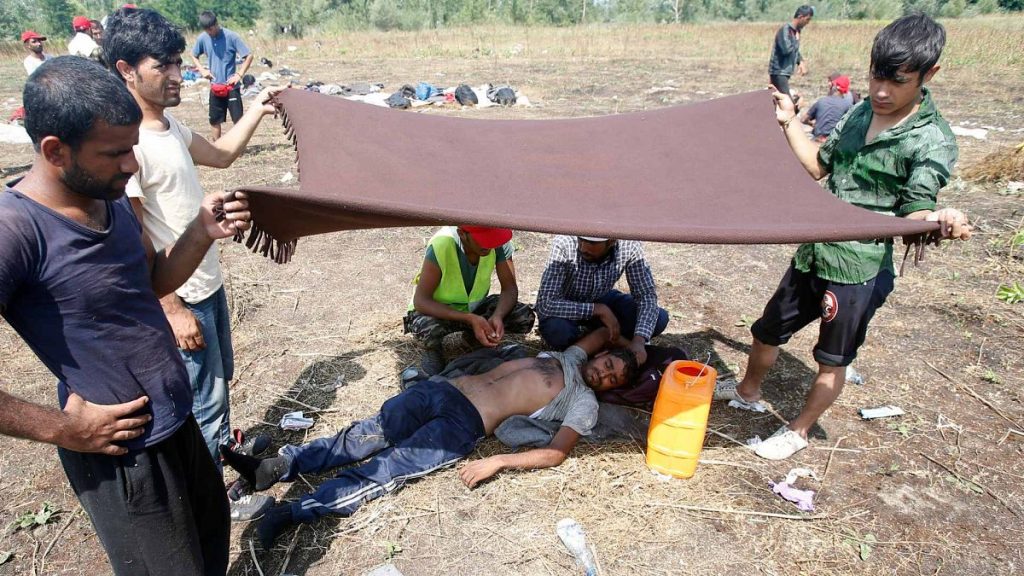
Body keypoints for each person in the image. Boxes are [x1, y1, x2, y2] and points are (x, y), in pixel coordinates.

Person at [0, 56, 251, 575]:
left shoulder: (107, 196)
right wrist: (63, 429)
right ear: (54, 150)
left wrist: (200, 231)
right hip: (124, 456)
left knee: (209, 552)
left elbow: (152, 281)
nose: (131, 166)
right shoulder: (16, 231)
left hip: (178, 422)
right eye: (114, 153)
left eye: (132, 148)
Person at [717, 14, 973, 460]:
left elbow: (916, 209)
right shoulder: (859, 112)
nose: (880, 91)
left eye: (897, 82)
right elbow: (819, 166)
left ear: (929, 75)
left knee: (832, 359)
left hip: (858, 270)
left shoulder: (931, 140)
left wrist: (941, 217)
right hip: (814, 252)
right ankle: (748, 390)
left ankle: (797, 430)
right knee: (767, 329)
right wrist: (788, 121)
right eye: (876, 76)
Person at [221, 327, 638, 548]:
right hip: (443, 387)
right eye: (608, 365)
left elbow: (556, 453)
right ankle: (277, 467)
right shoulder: (573, 356)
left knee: (384, 469)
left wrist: (498, 461)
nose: (605, 374)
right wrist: (633, 344)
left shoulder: (583, 402)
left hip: (465, 424)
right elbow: (603, 332)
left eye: (614, 379)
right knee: (365, 434)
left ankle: (290, 513)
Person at [103, 8, 283, 518]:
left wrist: (259, 108)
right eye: (164, 67)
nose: (180, 76)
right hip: (182, 296)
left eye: (180, 63)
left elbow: (222, 154)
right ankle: (207, 507)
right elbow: (134, 241)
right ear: (126, 71)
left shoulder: (169, 128)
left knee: (217, 388)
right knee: (201, 404)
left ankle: (222, 463)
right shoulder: (128, 144)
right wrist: (170, 306)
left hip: (207, 283)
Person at [405, 225, 536, 375]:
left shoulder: (497, 243)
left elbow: (509, 289)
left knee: (522, 316)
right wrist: (469, 318)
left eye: (492, 239)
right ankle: (434, 351)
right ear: (462, 234)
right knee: (427, 327)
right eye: (483, 240)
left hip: (474, 309)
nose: (489, 245)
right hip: (438, 312)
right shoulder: (442, 244)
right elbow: (421, 301)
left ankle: (473, 338)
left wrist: (497, 316)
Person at [536, 236, 669, 365]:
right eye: (581, 239)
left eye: (591, 243)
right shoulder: (564, 243)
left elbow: (646, 295)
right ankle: (599, 340)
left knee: (659, 318)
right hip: (565, 305)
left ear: (612, 241)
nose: (582, 247)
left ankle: (597, 337)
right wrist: (597, 310)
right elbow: (546, 303)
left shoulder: (629, 244)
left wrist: (639, 340)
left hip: (603, 297)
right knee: (558, 331)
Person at [191, 10, 252, 141]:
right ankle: (217, 146)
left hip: (231, 86)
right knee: (214, 119)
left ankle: (238, 146)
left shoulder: (232, 36)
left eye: (211, 29)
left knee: (238, 119)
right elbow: (194, 55)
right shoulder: (202, 38)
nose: (210, 33)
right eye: (207, 30)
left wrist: (239, 75)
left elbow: (249, 55)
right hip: (215, 86)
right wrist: (202, 70)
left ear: (216, 24)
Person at [769, 5, 814, 104]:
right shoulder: (786, 30)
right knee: (787, 102)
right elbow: (786, 50)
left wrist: (800, 61)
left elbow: (795, 51)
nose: (808, 23)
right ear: (800, 17)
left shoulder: (795, 31)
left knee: (778, 101)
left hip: (785, 73)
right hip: (779, 72)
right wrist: (796, 40)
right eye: (807, 19)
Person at [801, 74, 854, 142]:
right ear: (845, 91)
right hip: (834, 142)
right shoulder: (848, 105)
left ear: (833, 87)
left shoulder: (821, 101)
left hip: (817, 139)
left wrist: (812, 124)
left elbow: (803, 119)